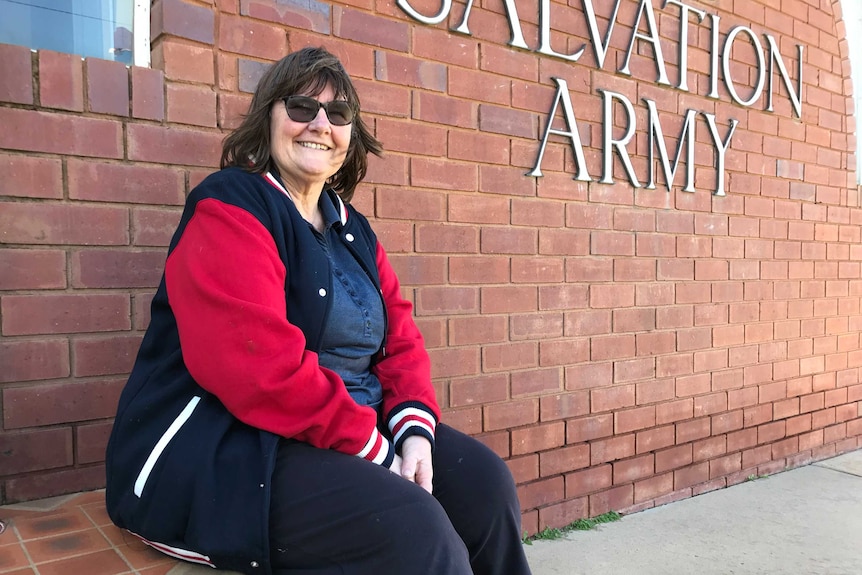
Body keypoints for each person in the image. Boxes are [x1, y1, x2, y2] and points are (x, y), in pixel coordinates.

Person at [105, 46, 533, 575]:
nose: (320, 125)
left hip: (348, 428)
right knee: (414, 533)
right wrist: (377, 452)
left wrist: (414, 434)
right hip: (236, 444)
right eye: (302, 107)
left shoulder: (352, 228)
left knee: (486, 486)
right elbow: (258, 369)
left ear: (351, 132)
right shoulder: (232, 206)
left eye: (338, 113)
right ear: (269, 118)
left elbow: (399, 338)